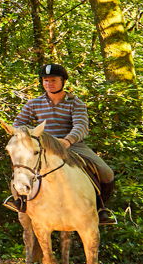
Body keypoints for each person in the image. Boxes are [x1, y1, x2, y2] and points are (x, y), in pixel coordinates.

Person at [7, 64, 117, 225]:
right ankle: (20, 201)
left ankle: (101, 209)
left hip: (71, 145)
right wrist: (29, 137)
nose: (49, 83)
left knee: (106, 172)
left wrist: (67, 140)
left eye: (53, 80)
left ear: (63, 81)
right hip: (43, 145)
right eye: (45, 80)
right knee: (22, 167)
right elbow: (18, 125)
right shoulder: (33, 104)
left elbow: (81, 126)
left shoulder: (75, 103)